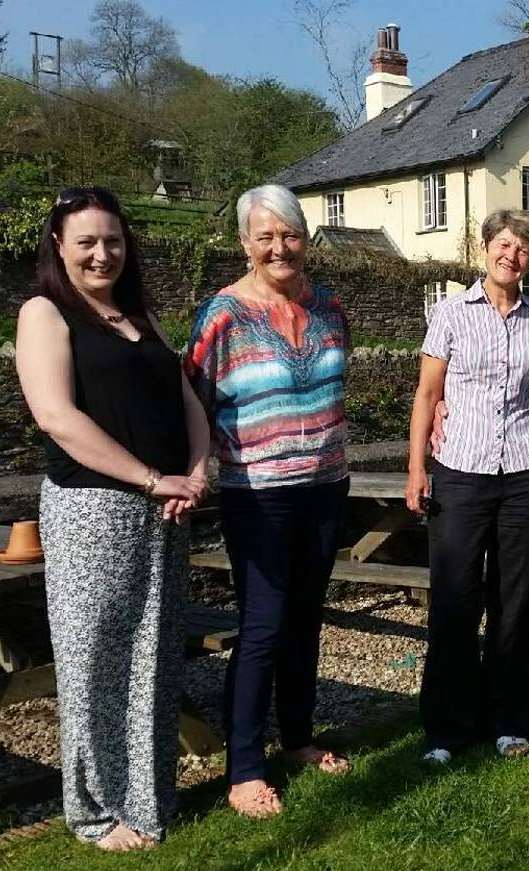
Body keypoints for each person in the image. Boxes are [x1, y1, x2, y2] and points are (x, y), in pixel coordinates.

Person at [15, 187, 209, 851]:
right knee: (94, 660)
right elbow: (56, 417)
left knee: (153, 656)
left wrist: (198, 469)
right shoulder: (45, 312)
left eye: (114, 240)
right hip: (93, 509)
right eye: (88, 242)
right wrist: (153, 478)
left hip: (166, 510)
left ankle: (148, 799)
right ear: (60, 248)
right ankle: (95, 811)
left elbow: (185, 394)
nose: (104, 253)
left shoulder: (137, 314)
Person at [185, 184, 351, 819]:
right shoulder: (220, 316)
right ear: (245, 244)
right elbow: (191, 401)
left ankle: (300, 738)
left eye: (290, 234)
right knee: (263, 624)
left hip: (326, 484)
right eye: (266, 236)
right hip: (255, 493)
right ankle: (245, 767)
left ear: (305, 237)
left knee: (307, 616)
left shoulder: (331, 306)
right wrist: (193, 471)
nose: (280, 247)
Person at [405, 209, 529, 763]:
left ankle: (510, 719)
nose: (511, 255)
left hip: (524, 473)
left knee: (515, 601)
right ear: (486, 247)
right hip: (460, 471)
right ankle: (447, 729)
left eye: (523, 248)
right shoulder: (449, 314)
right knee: (454, 599)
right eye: (504, 243)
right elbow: (427, 395)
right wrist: (417, 468)